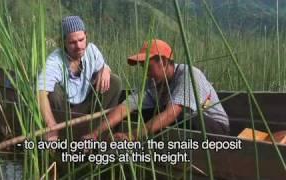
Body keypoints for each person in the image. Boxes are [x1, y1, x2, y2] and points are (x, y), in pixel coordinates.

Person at [84, 39, 229, 141]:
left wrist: (132, 136)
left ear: (164, 62)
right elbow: (125, 107)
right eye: (143, 68)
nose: (146, 73)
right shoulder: (153, 82)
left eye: (148, 67)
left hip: (213, 129)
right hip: (183, 127)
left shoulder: (188, 74)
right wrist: (95, 133)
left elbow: (172, 114)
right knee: (137, 112)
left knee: (180, 115)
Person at [38, 16, 122, 141]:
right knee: (52, 90)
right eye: (72, 42)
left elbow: (104, 68)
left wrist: (105, 69)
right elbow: (41, 94)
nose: (78, 46)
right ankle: (63, 132)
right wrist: (51, 126)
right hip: (64, 110)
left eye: (81, 40)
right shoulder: (55, 60)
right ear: (63, 42)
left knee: (115, 81)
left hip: (87, 108)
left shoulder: (91, 51)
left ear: (86, 36)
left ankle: (98, 131)